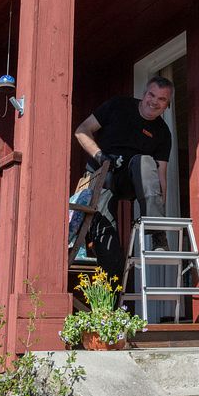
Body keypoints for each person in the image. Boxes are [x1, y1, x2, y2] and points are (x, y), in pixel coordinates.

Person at [74, 76, 174, 278]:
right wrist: (101, 156)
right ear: (144, 94)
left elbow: (160, 175)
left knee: (145, 161)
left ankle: (157, 234)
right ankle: (109, 302)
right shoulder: (118, 106)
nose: (154, 102)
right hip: (103, 175)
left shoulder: (163, 132)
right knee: (107, 245)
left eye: (161, 99)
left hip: (132, 179)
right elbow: (82, 131)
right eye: (151, 95)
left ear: (167, 105)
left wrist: (161, 209)